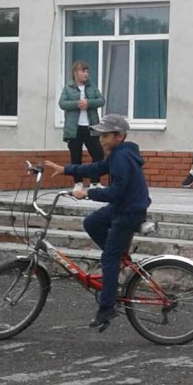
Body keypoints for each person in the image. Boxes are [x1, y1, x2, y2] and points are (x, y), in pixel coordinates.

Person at [45, 114, 150, 331]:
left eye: (106, 135)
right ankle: (120, 258)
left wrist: (88, 193)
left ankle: (106, 308)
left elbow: (116, 191)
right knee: (92, 222)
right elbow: (96, 168)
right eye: (100, 135)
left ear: (119, 136)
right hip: (122, 207)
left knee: (108, 258)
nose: (101, 139)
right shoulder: (118, 153)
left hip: (128, 212)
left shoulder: (121, 157)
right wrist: (66, 169)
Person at [58, 61, 105, 187]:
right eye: (83, 71)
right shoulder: (68, 88)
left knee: (98, 154)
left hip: (91, 127)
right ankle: (78, 183)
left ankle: (95, 182)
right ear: (75, 73)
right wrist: (76, 104)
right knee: (75, 157)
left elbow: (101, 100)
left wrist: (89, 103)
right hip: (74, 128)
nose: (86, 74)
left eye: (87, 71)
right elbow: (62, 103)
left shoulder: (91, 86)